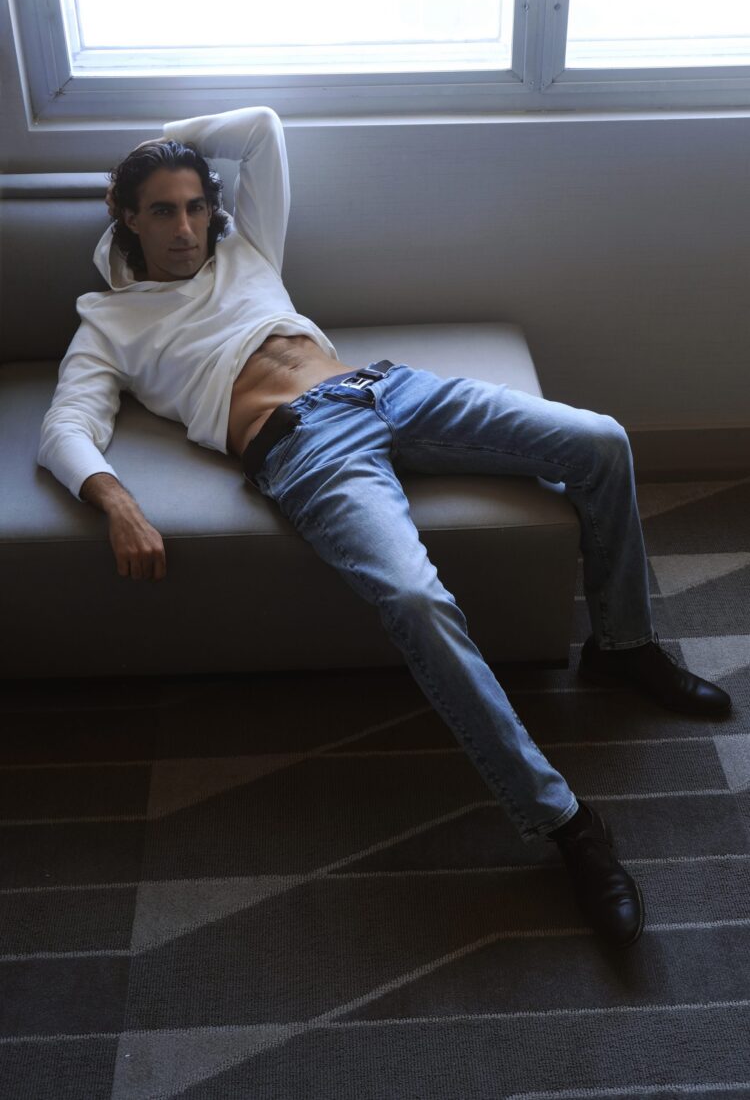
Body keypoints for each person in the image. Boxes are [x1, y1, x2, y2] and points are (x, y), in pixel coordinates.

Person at [38, 106, 731, 950]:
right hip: (304, 447)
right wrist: (118, 503)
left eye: (194, 206)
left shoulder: (243, 247)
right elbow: (64, 428)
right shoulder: (107, 322)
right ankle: (567, 822)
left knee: (602, 440)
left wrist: (158, 145)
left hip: (384, 389)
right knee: (414, 598)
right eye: (161, 211)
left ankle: (624, 645)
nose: (185, 229)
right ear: (126, 216)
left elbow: (259, 129)